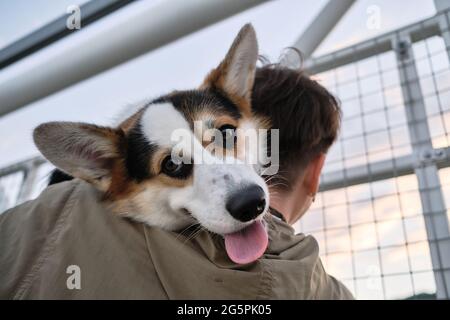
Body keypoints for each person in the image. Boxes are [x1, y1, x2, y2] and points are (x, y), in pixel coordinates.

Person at [0, 62, 353, 300]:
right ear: (316, 170)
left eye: (227, 138)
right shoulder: (314, 284)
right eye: (173, 163)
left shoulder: (28, 223)